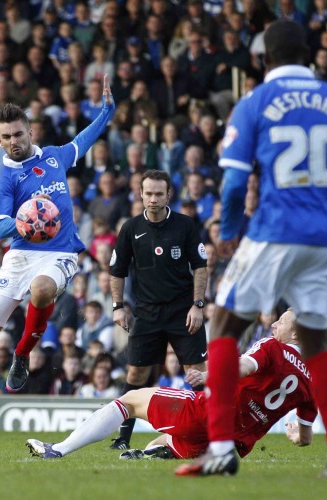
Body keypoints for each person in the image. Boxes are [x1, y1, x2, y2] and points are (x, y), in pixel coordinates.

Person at [178, 20, 327, 479]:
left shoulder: (255, 103)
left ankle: (223, 450)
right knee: (315, 343)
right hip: (325, 240)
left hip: (274, 230)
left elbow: (232, 184)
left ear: (264, 59)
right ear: (308, 55)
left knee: (225, 326)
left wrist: (229, 228)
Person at [0, 75, 116, 393]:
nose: (14, 140)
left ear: (30, 131)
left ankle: (21, 355)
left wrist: (106, 113)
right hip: (21, 253)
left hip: (60, 252)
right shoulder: (4, 180)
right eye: (7, 137)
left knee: (42, 289)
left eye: (19, 133)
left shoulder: (54, 157)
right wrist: (30, 217)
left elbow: (82, 142)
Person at [26, 309, 314, 460]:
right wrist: (292, 435)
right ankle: (152, 457)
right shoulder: (312, 380)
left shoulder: (273, 347)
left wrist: (207, 375)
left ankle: (58, 450)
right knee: (159, 443)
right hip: (234, 442)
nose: (275, 324)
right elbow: (304, 438)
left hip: (207, 415)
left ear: (297, 334)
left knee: (130, 400)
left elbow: (239, 367)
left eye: (282, 321)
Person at [108, 168, 208, 449]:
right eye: (148, 193)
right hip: (147, 313)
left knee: (196, 372)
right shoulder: (130, 228)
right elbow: (117, 270)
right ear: (140, 194)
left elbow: (200, 267)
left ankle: (217, 434)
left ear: (169, 195)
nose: (152, 199)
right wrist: (118, 306)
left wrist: (198, 305)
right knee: (136, 376)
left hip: (182, 312)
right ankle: (122, 438)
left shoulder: (185, 226)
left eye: (158, 194)